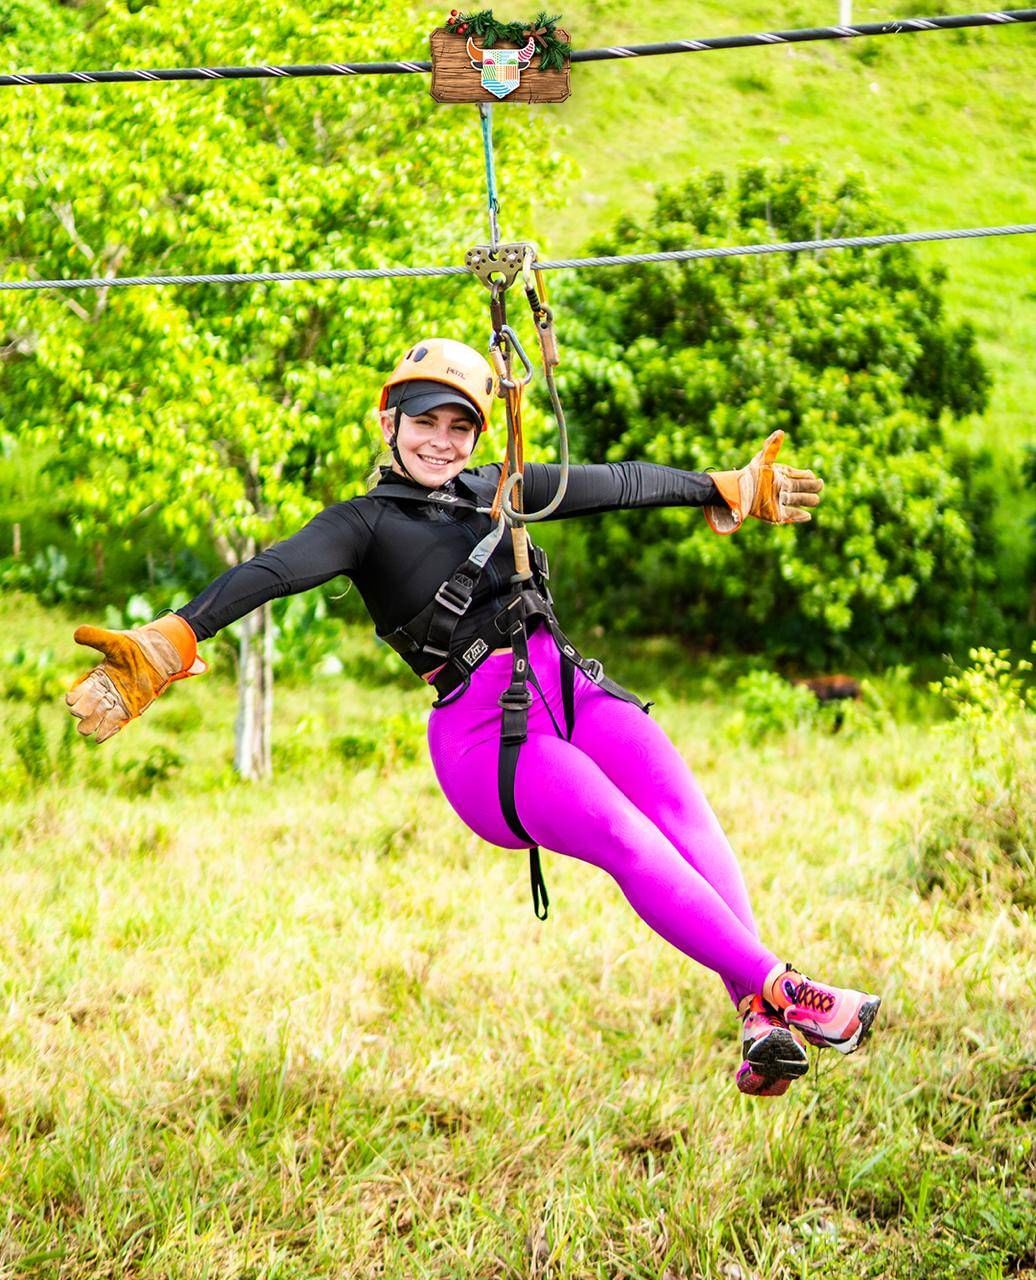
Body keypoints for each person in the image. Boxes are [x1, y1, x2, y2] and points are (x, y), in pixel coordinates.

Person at [65, 337, 880, 1097]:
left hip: (572, 690)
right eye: (425, 422)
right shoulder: (363, 524)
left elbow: (617, 482)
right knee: (627, 835)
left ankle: (756, 1016)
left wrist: (722, 487)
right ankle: (785, 986)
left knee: (686, 818)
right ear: (389, 423)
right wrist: (174, 636)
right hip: (490, 735)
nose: (442, 441)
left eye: (460, 426)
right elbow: (274, 571)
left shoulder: (500, 489)